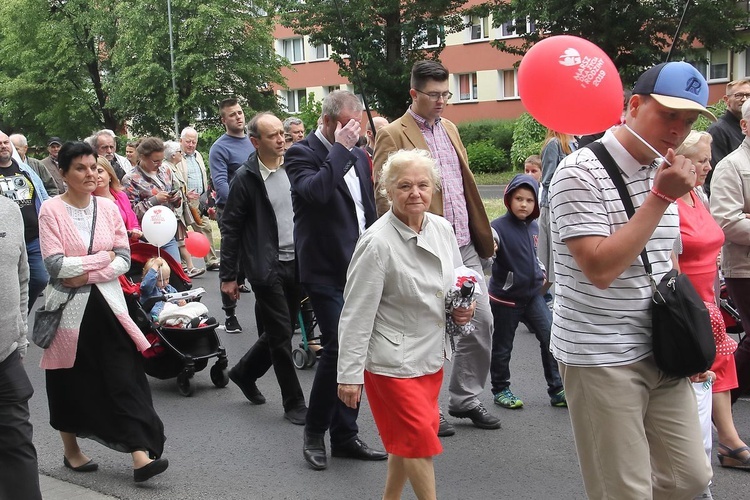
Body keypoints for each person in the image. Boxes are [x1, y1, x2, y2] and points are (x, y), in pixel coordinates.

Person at [548, 61, 714, 498]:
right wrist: (660, 198)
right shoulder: (578, 172)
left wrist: (691, 329)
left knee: (690, 476)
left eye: (689, 119)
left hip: (662, 346)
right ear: (634, 106)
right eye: (669, 114)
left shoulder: (666, 168)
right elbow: (599, 268)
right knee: (624, 489)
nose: (679, 129)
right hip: (601, 352)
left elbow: (668, 262)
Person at [372, 60, 498, 435]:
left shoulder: (451, 129)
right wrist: (403, 244)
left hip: (464, 245)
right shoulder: (394, 134)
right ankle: (427, 408)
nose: (443, 100)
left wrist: (485, 233)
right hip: (423, 247)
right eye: (434, 94)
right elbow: (383, 195)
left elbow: (462, 186)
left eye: (447, 93)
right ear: (414, 94)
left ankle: (465, 398)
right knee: (428, 328)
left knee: (481, 321)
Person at [337, 149, 471, 500]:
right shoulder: (377, 242)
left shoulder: (441, 228)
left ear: (434, 188)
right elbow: (355, 313)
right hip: (391, 364)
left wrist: (461, 309)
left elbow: (456, 282)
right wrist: (349, 375)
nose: (415, 193)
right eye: (405, 186)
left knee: (405, 442)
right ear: (387, 190)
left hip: (429, 357)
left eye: (423, 185)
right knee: (419, 445)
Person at [38, 141, 168, 483]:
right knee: (69, 381)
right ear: (63, 173)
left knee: (123, 376)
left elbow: (124, 259)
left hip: (109, 307)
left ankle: (140, 457)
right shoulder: (51, 210)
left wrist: (88, 270)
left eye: (94, 167)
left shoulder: (108, 208)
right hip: (69, 312)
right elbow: (54, 265)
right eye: (80, 168)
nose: (91, 174)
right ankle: (71, 451)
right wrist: (103, 259)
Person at [285, 90, 386, 470]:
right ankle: (314, 431)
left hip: (361, 268)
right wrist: (340, 149)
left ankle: (345, 435)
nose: (355, 133)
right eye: (348, 125)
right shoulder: (301, 154)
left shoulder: (360, 154)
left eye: (358, 125)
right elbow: (316, 193)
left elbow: (367, 209)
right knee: (340, 346)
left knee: (356, 349)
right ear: (328, 121)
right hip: (324, 270)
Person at [220, 112, 307, 425]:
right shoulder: (245, 179)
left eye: (282, 133)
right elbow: (230, 229)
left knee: (276, 331)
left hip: (297, 262)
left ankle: (244, 372)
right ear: (255, 142)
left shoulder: (296, 167)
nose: (281, 139)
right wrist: (229, 276)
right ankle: (294, 403)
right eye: (273, 136)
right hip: (265, 267)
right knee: (282, 334)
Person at [675, 132, 747, 478]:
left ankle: (728, 442)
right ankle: (701, 456)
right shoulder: (669, 199)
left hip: (708, 298)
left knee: (722, 366)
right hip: (688, 303)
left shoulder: (696, 192)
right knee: (698, 377)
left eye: (708, 158)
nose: (709, 164)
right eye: (702, 159)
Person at [488, 174, 565, 410]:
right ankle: (501, 388)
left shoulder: (535, 227)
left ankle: (557, 388)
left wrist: (542, 276)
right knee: (503, 346)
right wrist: (490, 247)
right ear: (508, 199)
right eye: (518, 199)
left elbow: (538, 255)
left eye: (529, 200)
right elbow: (489, 250)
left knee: (550, 338)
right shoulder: (497, 228)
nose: (524, 204)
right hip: (506, 299)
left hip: (533, 296)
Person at [0, 196, 42, 500]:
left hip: (5, 353)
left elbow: (23, 275)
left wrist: (20, 336)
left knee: (17, 446)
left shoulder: (8, 209)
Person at [711, 99, 750, 409]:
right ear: (745, 126)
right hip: (744, 268)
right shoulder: (732, 165)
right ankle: (717, 405)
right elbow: (728, 221)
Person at [209, 97, 256, 334]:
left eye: (240, 112)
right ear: (223, 119)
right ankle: (230, 314)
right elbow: (221, 184)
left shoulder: (252, 142)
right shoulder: (219, 147)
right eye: (232, 114)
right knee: (231, 263)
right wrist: (243, 206)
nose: (238, 117)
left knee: (257, 261)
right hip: (231, 212)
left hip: (256, 211)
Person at [0, 130, 50, 311]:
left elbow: (42, 195)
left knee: (40, 278)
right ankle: (12, 323)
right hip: (6, 240)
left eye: (6, 142)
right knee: (10, 286)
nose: (3, 146)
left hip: (33, 237)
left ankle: (20, 317)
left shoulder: (24, 169)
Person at [121, 137, 182, 264]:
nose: (159, 164)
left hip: (167, 231)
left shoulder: (166, 171)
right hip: (146, 236)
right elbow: (131, 212)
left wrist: (175, 198)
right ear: (142, 157)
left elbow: (175, 197)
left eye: (161, 160)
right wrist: (154, 200)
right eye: (155, 161)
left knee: (176, 272)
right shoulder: (131, 179)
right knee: (153, 275)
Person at [539, 129, 577, 298]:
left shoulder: (575, 142)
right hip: (553, 208)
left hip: (572, 208)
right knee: (549, 264)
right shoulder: (554, 144)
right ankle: (535, 299)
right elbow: (547, 179)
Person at [177, 127, 220, 271]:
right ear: (181, 141)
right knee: (180, 232)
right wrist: (183, 193)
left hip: (198, 200)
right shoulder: (176, 156)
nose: (191, 145)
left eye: (194, 142)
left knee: (205, 227)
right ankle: (183, 265)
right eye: (188, 142)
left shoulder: (198, 155)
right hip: (181, 200)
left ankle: (212, 260)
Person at [164, 140, 204, 278]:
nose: (182, 154)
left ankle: (185, 267)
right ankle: (186, 268)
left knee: (180, 240)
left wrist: (185, 194)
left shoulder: (174, 167)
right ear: (173, 155)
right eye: (179, 152)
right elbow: (170, 190)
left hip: (178, 210)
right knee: (179, 241)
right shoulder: (167, 168)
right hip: (174, 212)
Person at [706, 78, 750, 196]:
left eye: (748, 95)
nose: (745, 99)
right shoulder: (718, 130)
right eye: (739, 95)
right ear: (726, 100)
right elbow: (714, 173)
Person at [93, 156, 142, 244]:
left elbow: (132, 220)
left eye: (100, 171)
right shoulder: (87, 200)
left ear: (110, 174)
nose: (97, 176)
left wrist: (135, 231)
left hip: (128, 245)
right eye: (93, 173)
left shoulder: (121, 196)